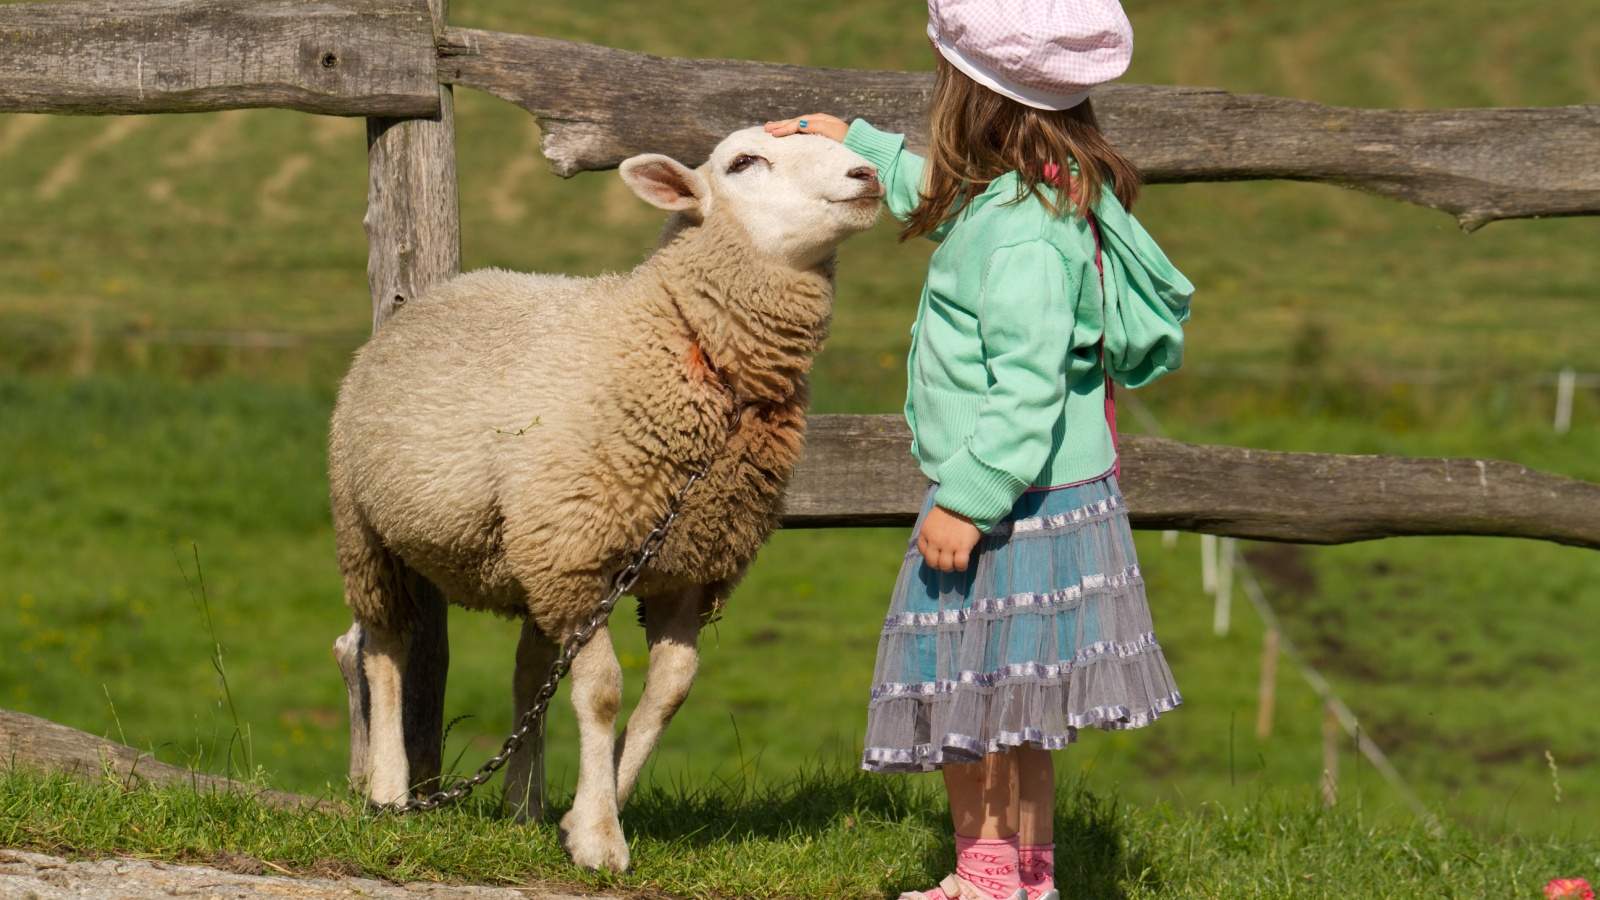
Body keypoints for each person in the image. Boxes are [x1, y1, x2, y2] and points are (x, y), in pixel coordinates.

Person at [765, 3, 1194, 898]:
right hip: (1043, 495)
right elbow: (937, 191)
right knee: (1018, 709)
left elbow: (1026, 386)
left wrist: (968, 497)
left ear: (975, 102)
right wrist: (862, 143)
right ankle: (1021, 880)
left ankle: (989, 878)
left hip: (1007, 503)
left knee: (971, 696)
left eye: (943, 83)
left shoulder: (1023, 232)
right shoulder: (1028, 189)